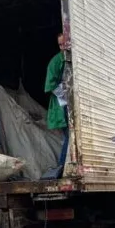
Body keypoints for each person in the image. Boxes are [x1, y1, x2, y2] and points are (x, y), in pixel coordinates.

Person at [45, 33, 70, 177]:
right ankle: (61, 166)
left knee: (69, 136)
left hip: (69, 102)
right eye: (60, 45)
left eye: (64, 44)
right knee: (69, 135)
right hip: (63, 104)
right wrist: (67, 95)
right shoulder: (56, 62)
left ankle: (63, 165)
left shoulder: (71, 59)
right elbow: (51, 85)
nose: (62, 47)